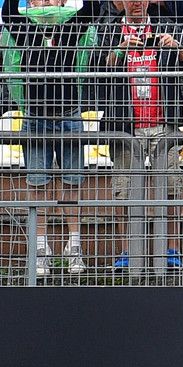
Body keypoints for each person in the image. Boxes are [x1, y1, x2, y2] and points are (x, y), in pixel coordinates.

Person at [94, 0, 183, 270]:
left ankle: (171, 249)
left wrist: (177, 47)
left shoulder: (167, 26)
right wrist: (119, 50)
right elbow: (96, 67)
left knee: (171, 189)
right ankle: (127, 251)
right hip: (125, 124)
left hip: (164, 121)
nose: (136, 2)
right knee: (123, 190)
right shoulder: (108, 29)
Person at [4, 0, 101, 277]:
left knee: (72, 183)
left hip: (69, 116)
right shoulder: (25, 28)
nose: (46, 1)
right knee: (37, 184)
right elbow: (8, 10)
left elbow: (93, 8)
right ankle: (40, 250)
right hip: (35, 118)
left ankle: (74, 247)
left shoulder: (71, 26)